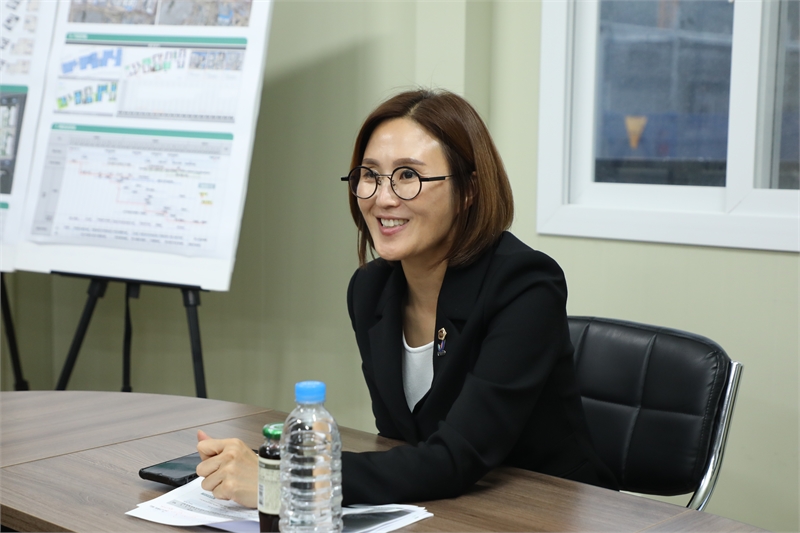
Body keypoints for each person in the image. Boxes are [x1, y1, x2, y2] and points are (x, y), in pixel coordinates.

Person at [195, 88, 617, 508]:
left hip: (545, 510)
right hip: (447, 506)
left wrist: (289, 476)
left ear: (469, 189)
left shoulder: (524, 285)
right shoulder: (370, 290)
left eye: (408, 176)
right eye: (370, 175)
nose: (383, 197)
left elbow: (456, 458)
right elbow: (400, 440)